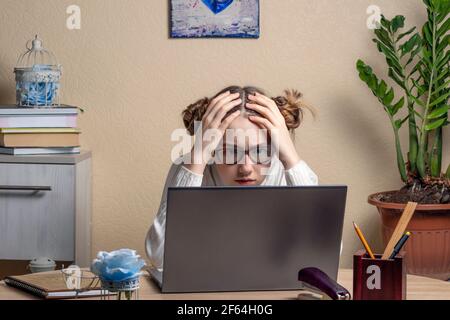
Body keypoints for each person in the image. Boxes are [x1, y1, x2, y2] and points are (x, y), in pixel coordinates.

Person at [145, 86, 319, 271]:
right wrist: (197, 158)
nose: (245, 168)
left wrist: (290, 157)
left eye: (260, 151)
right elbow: (159, 256)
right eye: (229, 152)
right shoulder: (191, 167)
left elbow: (321, 252)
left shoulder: (284, 171)